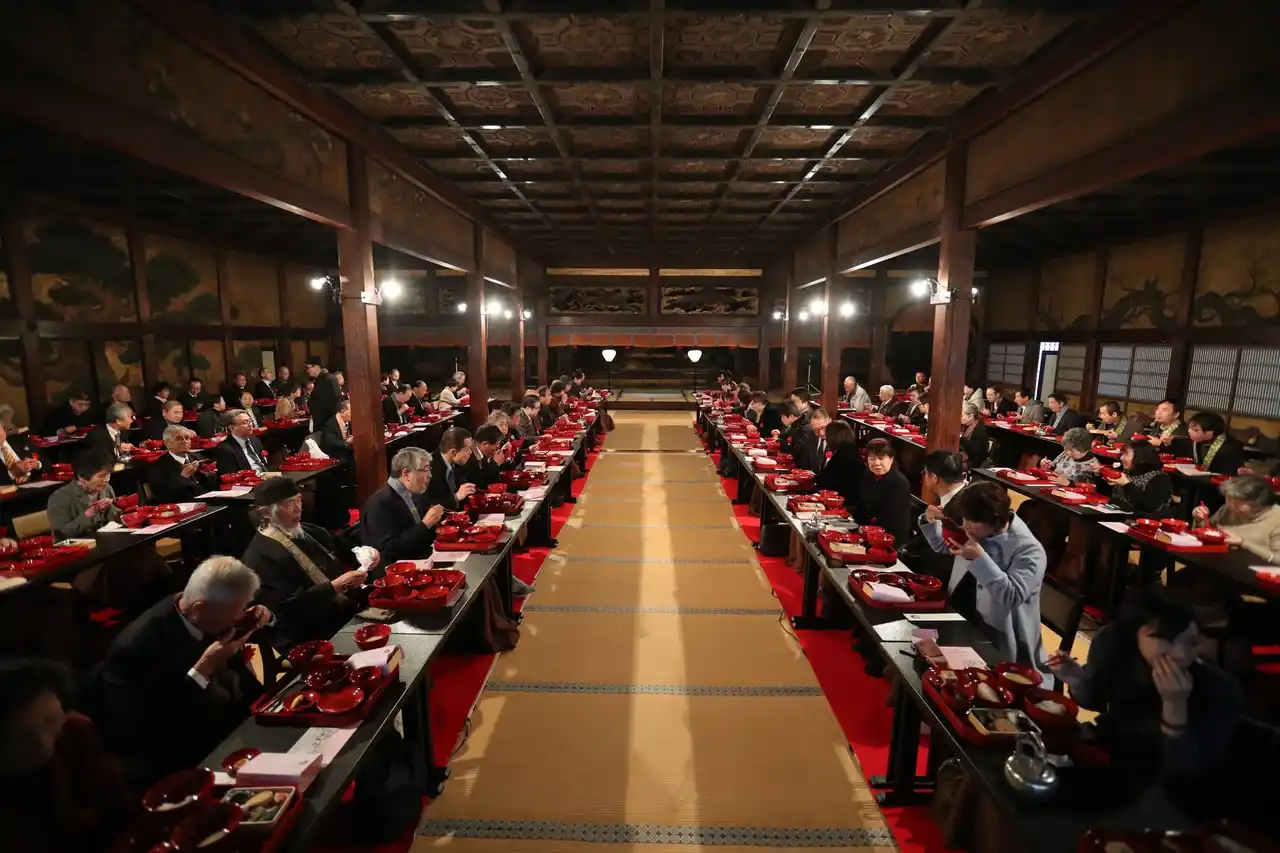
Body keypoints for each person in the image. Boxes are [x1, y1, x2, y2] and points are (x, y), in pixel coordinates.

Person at [91, 557, 271, 788]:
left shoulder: (205, 613)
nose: (240, 616)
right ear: (199, 608)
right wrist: (203, 668)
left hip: (237, 728)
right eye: (237, 610)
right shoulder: (135, 650)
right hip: (184, 759)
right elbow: (151, 733)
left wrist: (252, 620)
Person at [1048, 586, 1242, 781]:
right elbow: (1094, 699)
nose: (1181, 654)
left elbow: (1186, 772)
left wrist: (1174, 706)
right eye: (1167, 638)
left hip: (1166, 789)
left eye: (1191, 642)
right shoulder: (1112, 645)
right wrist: (1077, 679)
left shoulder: (1220, 691)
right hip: (1114, 758)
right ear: (1134, 634)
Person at [0, 657, 136, 853]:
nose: (43, 742)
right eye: (22, 738)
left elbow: (117, 803)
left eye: (51, 721)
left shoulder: (75, 734)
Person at [920, 481, 1049, 674]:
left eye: (971, 522)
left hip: (996, 639)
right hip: (958, 615)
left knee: (929, 672)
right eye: (964, 519)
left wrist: (979, 559)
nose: (965, 526)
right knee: (913, 651)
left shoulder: (1029, 550)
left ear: (996, 520)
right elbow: (944, 547)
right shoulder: (977, 528)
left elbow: (1012, 596)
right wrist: (929, 521)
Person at [242, 478, 370, 647]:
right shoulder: (259, 556)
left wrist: (363, 553)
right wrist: (333, 588)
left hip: (345, 611)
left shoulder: (308, 530)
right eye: (288, 504)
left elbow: (343, 546)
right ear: (266, 513)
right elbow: (283, 611)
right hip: (311, 634)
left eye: (299, 500)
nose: (298, 508)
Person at [361, 448, 444, 563]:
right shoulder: (380, 503)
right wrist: (425, 524)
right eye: (425, 469)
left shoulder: (412, 494)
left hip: (420, 558)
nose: (430, 475)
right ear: (406, 474)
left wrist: (436, 524)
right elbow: (387, 551)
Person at [1193, 474, 1280, 564]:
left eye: (1238, 503)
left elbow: (1278, 559)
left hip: (1250, 572)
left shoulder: (1277, 518)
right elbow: (1209, 531)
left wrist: (1243, 543)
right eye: (1228, 499)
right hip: (1216, 562)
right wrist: (1201, 518)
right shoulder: (1228, 508)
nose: (1230, 505)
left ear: (1258, 503)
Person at [46, 452, 122, 538]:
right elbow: (62, 533)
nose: (107, 480)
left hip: (106, 539)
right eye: (102, 476)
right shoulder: (59, 498)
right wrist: (89, 514)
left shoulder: (107, 489)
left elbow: (113, 521)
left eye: (109, 474)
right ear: (81, 477)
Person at [852, 439, 913, 544]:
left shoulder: (899, 482)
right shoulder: (868, 476)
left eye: (881, 458)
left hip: (890, 538)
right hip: (867, 531)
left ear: (891, 459)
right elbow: (861, 505)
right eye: (872, 459)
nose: (876, 463)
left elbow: (889, 519)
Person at [148, 426, 215, 504]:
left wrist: (211, 475)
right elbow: (163, 495)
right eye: (179, 439)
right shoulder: (157, 466)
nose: (185, 441)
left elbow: (211, 485)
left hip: (208, 502)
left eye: (187, 438)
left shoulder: (198, 457)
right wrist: (183, 477)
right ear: (167, 443)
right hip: (182, 506)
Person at [1109, 441, 1173, 518]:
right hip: (1117, 514)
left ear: (1140, 457)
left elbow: (1149, 506)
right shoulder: (1126, 472)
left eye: (1125, 454)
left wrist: (1127, 484)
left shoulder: (1161, 478)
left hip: (1142, 521)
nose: (1121, 458)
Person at [814, 420, 863, 509]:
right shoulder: (852, 449)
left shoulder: (842, 455)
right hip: (852, 500)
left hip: (843, 504)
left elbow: (825, 481)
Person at [428, 427, 478, 511]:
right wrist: (456, 497)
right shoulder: (429, 469)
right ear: (453, 452)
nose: (470, 452)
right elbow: (428, 505)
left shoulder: (459, 462)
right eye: (467, 449)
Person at [1186, 412, 1245, 477]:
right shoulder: (1192, 440)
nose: (1189, 431)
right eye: (1189, 428)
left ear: (1210, 432)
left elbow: (1230, 474)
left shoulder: (1230, 448)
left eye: (1195, 430)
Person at [214, 409, 269, 477]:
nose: (250, 425)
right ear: (232, 427)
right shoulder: (225, 449)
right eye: (245, 423)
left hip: (267, 477)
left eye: (250, 421)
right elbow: (230, 477)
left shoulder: (254, 439)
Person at [466, 424, 514, 489]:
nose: (498, 449)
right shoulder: (470, 456)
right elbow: (482, 484)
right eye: (497, 445)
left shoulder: (479, 452)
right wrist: (495, 464)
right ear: (485, 444)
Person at [777, 401, 818, 472]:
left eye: (783, 417)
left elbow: (797, 451)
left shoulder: (801, 428)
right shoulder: (794, 426)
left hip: (801, 468)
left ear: (791, 416)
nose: (782, 420)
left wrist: (781, 442)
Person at [305, 357, 343, 433]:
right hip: (333, 421)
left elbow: (322, 404)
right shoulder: (330, 378)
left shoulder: (324, 380)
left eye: (308, 368)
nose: (307, 370)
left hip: (327, 424)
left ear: (316, 366)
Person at [0, 421, 40, 486]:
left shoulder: (20, 439)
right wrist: (12, 473)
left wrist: (37, 464)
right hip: (11, 492)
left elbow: (47, 462)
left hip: (37, 483)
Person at [958, 404, 990, 468]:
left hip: (975, 460)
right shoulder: (967, 424)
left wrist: (961, 439)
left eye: (962, 415)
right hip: (966, 453)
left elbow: (976, 450)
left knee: (952, 464)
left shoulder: (980, 429)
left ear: (971, 416)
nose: (960, 417)